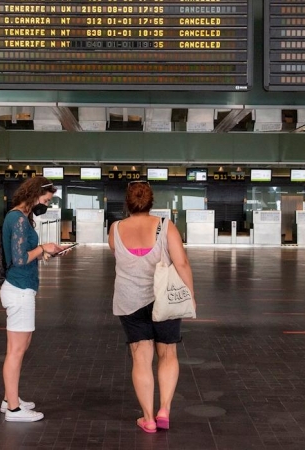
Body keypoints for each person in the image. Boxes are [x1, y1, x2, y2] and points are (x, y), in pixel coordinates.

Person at [108, 180, 196, 433]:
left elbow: (119, 254)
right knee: (167, 353)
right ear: (151, 202)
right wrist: (189, 294)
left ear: (127, 203)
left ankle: (147, 418)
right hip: (164, 299)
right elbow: (182, 264)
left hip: (129, 302)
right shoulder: (165, 227)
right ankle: (164, 410)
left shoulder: (115, 229)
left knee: (140, 357)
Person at [0, 176, 66, 422]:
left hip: (21, 287)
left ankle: (10, 398)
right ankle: (14, 410)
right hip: (19, 289)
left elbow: (23, 255)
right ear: (35, 193)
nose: (46, 205)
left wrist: (43, 253)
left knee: (17, 348)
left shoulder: (19, 218)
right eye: (46, 199)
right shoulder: (17, 219)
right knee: (16, 351)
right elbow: (18, 259)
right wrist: (43, 248)